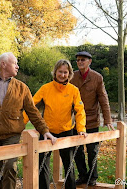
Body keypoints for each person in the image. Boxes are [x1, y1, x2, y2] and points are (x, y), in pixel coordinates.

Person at [0, 52, 57, 189]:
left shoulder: (22, 88)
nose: (17, 67)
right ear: (4, 64)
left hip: (12, 135)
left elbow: (32, 111)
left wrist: (45, 130)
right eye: (15, 63)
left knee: (9, 167)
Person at [24, 59, 87, 189]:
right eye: (60, 72)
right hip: (47, 132)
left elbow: (80, 110)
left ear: (69, 73)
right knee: (42, 164)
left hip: (66, 131)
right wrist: (20, 124)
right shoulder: (45, 88)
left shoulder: (73, 90)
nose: (62, 75)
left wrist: (81, 128)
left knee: (69, 163)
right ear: (55, 72)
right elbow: (31, 106)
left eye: (65, 72)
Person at [70, 51, 115, 186]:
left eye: (83, 60)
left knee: (92, 150)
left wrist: (107, 120)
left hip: (91, 120)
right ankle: (83, 175)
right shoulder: (72, 76)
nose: (80, 62)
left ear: (90, 61)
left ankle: (93, 177)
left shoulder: (97, 77)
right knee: (77, 150)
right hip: (75, 120)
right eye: (78, 60)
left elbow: (103, 99)